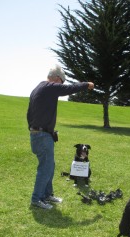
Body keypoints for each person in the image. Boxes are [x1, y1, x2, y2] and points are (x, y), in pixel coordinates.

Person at [27, 64, 94, 209]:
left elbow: (29, 114)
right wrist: (86, 84)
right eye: (61, 82)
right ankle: (36, 199)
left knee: (49, 166)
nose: (61, 85)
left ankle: (47, 194)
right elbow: (69, 89)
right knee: (45, 168)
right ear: (57, 79)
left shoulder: (37, 89)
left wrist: (43, 131)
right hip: (42, 136)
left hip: (41, 134)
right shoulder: (49, 86)